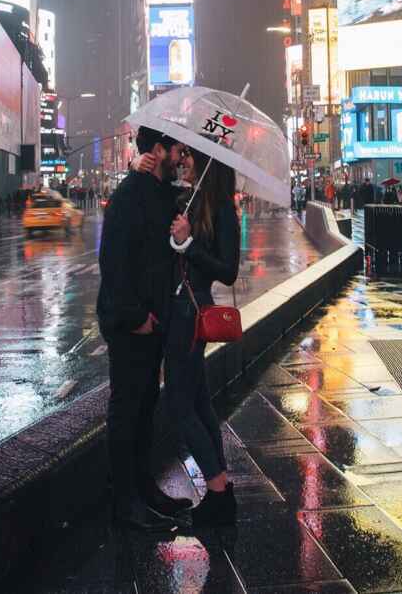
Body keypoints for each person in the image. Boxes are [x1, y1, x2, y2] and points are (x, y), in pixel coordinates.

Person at [96, 126, 186, 532]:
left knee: (146, 407)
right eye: (175, 150)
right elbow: (113, 263)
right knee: (127, 411)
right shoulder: (129, 195)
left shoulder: (158, 192)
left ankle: (144, 488)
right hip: (131, 324)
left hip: (155, 322)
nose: (180, 156)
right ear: (158, 150)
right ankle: (124, 501)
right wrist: (134, 318)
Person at [167, 148, 240, 527]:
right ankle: (221, 489)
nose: (185, 162)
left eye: (190, 158)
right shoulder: (193, 202)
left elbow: (228, 270)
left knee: (179, 406)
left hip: (191, 313)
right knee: (199, 402)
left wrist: (187, 243)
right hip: (180, 310)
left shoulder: (223, 209)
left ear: (207, 163)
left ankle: (214, 487)